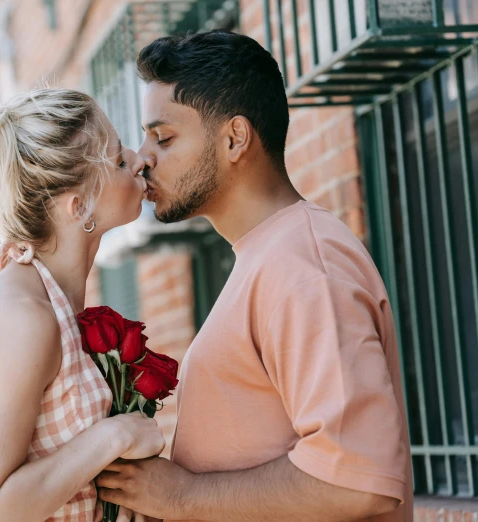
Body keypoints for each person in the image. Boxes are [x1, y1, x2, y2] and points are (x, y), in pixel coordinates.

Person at [95, 30, 413, 522]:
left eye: (163, 137)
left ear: (235, 138)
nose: (143, 157)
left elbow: (357, 479)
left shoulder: (302, 265)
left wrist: (181, 498)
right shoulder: (267, 257)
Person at [0, 75, 164, 522]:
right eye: (116, 159)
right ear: (78, 207)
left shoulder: (47, 299)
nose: (137, 160)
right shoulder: (20, 318)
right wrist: (113, 438)